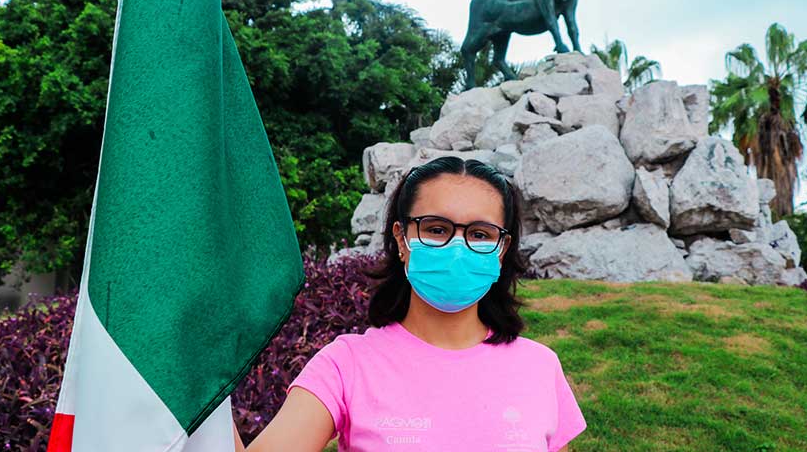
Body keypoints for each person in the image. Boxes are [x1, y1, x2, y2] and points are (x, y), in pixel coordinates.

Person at [236, 156, 587, 451]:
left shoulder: (540, 367)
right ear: (401, 240)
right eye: (436, 229)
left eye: (480, 234)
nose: (457, 247)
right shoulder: (346, 365)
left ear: (502, 250)